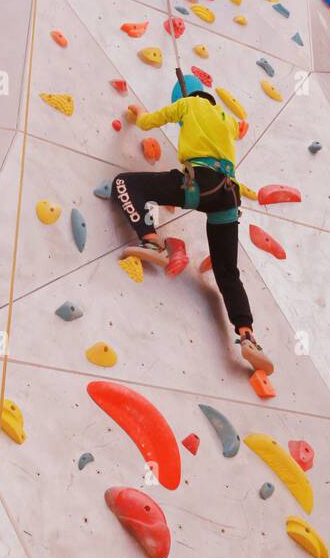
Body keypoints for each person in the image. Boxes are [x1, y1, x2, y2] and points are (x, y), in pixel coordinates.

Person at [110, 75, 273, 374]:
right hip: (228, 197)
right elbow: (237, 130)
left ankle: (152, 241)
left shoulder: (185, 105)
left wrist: (136, 112)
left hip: (200, 184)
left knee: (125, 184)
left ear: (183, 97)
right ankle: (248, 337)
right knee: (227, 274)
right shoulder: (225, 119)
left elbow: (148, 123)